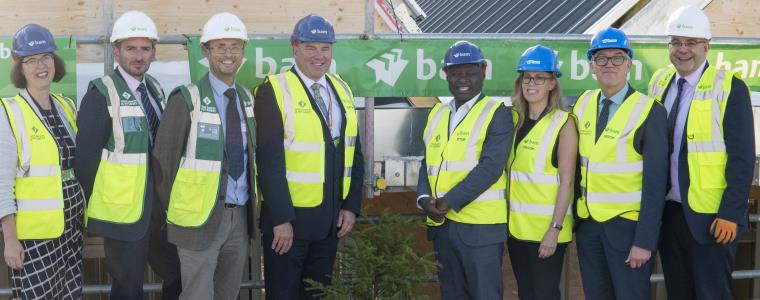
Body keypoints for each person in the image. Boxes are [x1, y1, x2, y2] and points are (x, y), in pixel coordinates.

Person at [254, 13, 364, 299]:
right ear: (294, 47)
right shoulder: (273, 90)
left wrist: (351, 206)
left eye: (325, 48)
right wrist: (280, 219)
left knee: (318, 295)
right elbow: (268, 161)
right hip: (288, 227)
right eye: (310, 48)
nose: (319, 56)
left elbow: (354, 151)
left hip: (330, 225)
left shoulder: (341, 89)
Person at [648, 5, 755, 299]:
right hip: (669, 216)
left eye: (692, 43)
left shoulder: (730, 87)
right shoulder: (659, 82)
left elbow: (743, 158)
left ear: (706, 46)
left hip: (712, 220)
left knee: (712, 294)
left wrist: (731, 214)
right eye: (676, 42)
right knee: (678, 293)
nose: (683, 50)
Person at [75, 10, 181, 299]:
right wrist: (87, 217)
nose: (138, 56)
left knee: (177, 275)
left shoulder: (156, 89)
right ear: (116, 52)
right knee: (128, 289)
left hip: (159, 211)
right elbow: (85, 162)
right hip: (122, 216)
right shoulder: (101, 94)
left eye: (145, 48)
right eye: (131, 48)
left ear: (154, 53)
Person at [152, 12, 256, 300]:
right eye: (220, 46)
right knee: (197, 295)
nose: (228, 54)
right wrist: (182, 212)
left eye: (235, 46)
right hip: (198, 222)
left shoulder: (247, 99)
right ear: (205, 51)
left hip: (240, 218)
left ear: (243, 51)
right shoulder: (186, 98)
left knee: (228, 294)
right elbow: (163, 167)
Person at [573, 27, 668, 300]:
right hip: (589, 227)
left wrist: (644, 241)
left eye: (617, 58)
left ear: (629, 64)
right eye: (601, 58)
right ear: (592, 66)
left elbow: (656, 182)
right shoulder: (583, 103)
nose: (609, 64)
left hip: (628, 231)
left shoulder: (650, 110)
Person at [416, 40, 512, 299]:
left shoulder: (498, 113)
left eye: (470, 72)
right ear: (446, 74)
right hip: (443, 227)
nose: (463, 79)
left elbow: (491, 168)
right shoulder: (437, 113)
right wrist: (423, 198)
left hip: (480, 229)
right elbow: (428, 162)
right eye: (456, 73)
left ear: (483, 71)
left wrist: (449, 201)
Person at [0, 24, 84, 299]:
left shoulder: (66, 106)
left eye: (46, 57)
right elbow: (2, 183)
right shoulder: (9, 112)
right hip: (35, 238)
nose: (41, 66)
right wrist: (10, 239)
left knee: (70, 294)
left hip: (71, 228)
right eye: (31, 60)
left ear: (55, 60)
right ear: (19, 66)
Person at [507, 44, 576, 300]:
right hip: (516, 230)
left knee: (545, 295)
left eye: (540, 77)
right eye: (527, 77)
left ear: (551, 84)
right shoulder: (514, 120)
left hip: (546, 232)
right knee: (526, 294)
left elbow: (567, 182)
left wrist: (554, 230)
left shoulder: (564, 123)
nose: (531, 83)